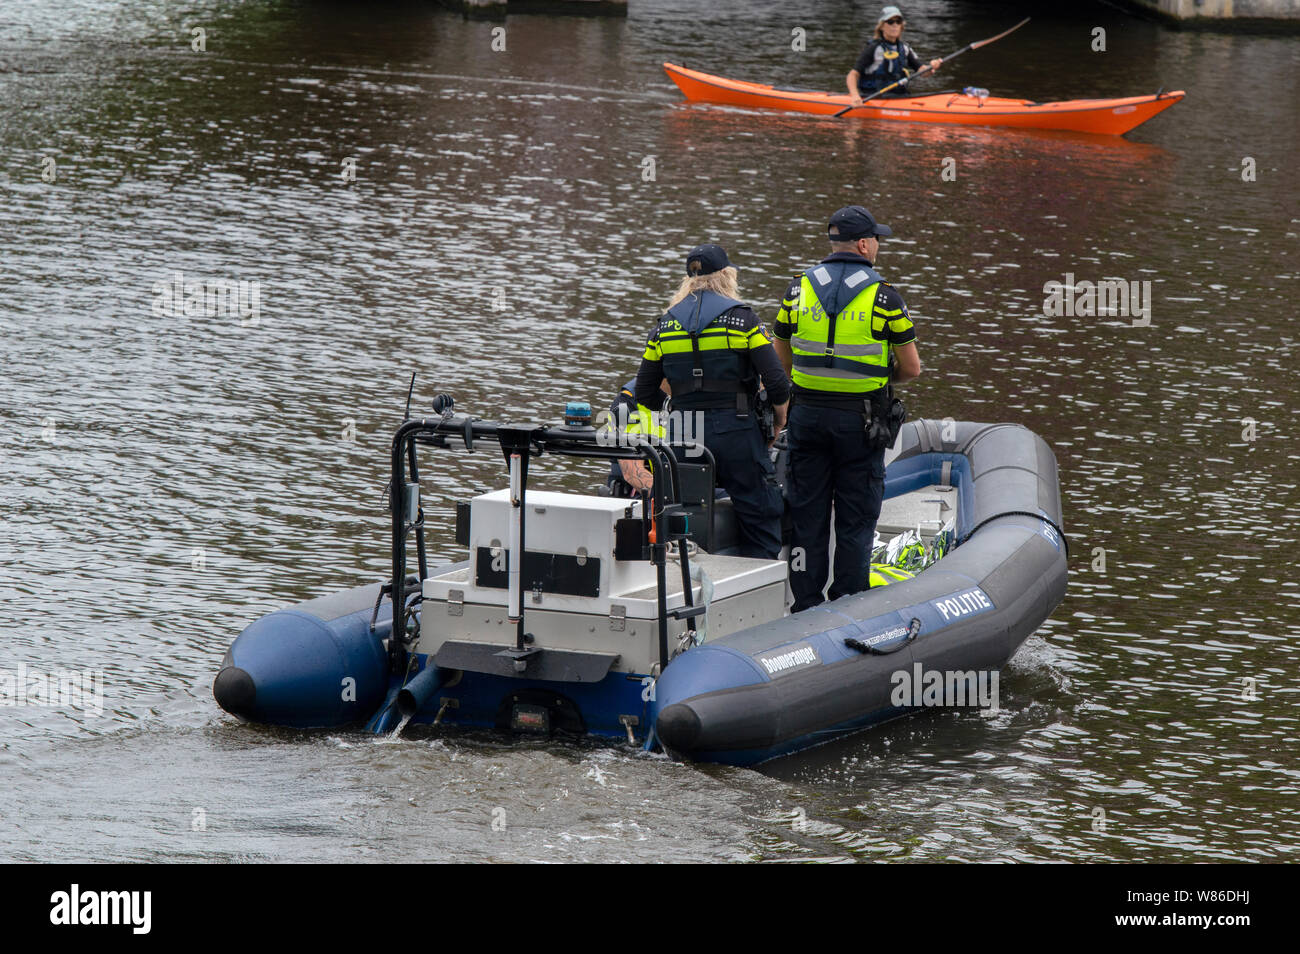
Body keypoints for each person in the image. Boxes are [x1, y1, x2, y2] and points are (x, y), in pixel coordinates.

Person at [772, 206, 922, 612]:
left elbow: (780, 356)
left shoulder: (797, 289)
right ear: (862, 244)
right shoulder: (885, 296)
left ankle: (804, 603)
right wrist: (874, 375)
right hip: (860, 423)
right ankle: (849, 604)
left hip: (807, 418)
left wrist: (812, 374)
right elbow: (911, 368)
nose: (877, 246)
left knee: (808, 514)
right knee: (856, 518)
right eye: (876, 239)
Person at [635, 244, 790, 559]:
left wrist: (673, 407)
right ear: (726, 275)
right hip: (737, 431)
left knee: (684, 523)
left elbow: (644, 392)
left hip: (683, 434)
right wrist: (778, 419)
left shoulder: (663, 328)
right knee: (761, 515)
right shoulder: (743, 320)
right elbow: (777, 382)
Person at [847, 5, 942, 103]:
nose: (895, 25)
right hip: (874, 97)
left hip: (899, 97)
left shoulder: (905, 48)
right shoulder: (873, 48)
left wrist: (931, 67)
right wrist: (855, 95)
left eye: (898, 22)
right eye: (890, 22)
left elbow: (922, 71)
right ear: (882, 26)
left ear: (901, 26)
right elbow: (852, 75)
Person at [603, 378, 667, 497]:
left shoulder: (696, 396)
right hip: (641, 498)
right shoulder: (626, 403)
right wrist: (677, 497)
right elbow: (633, 474)